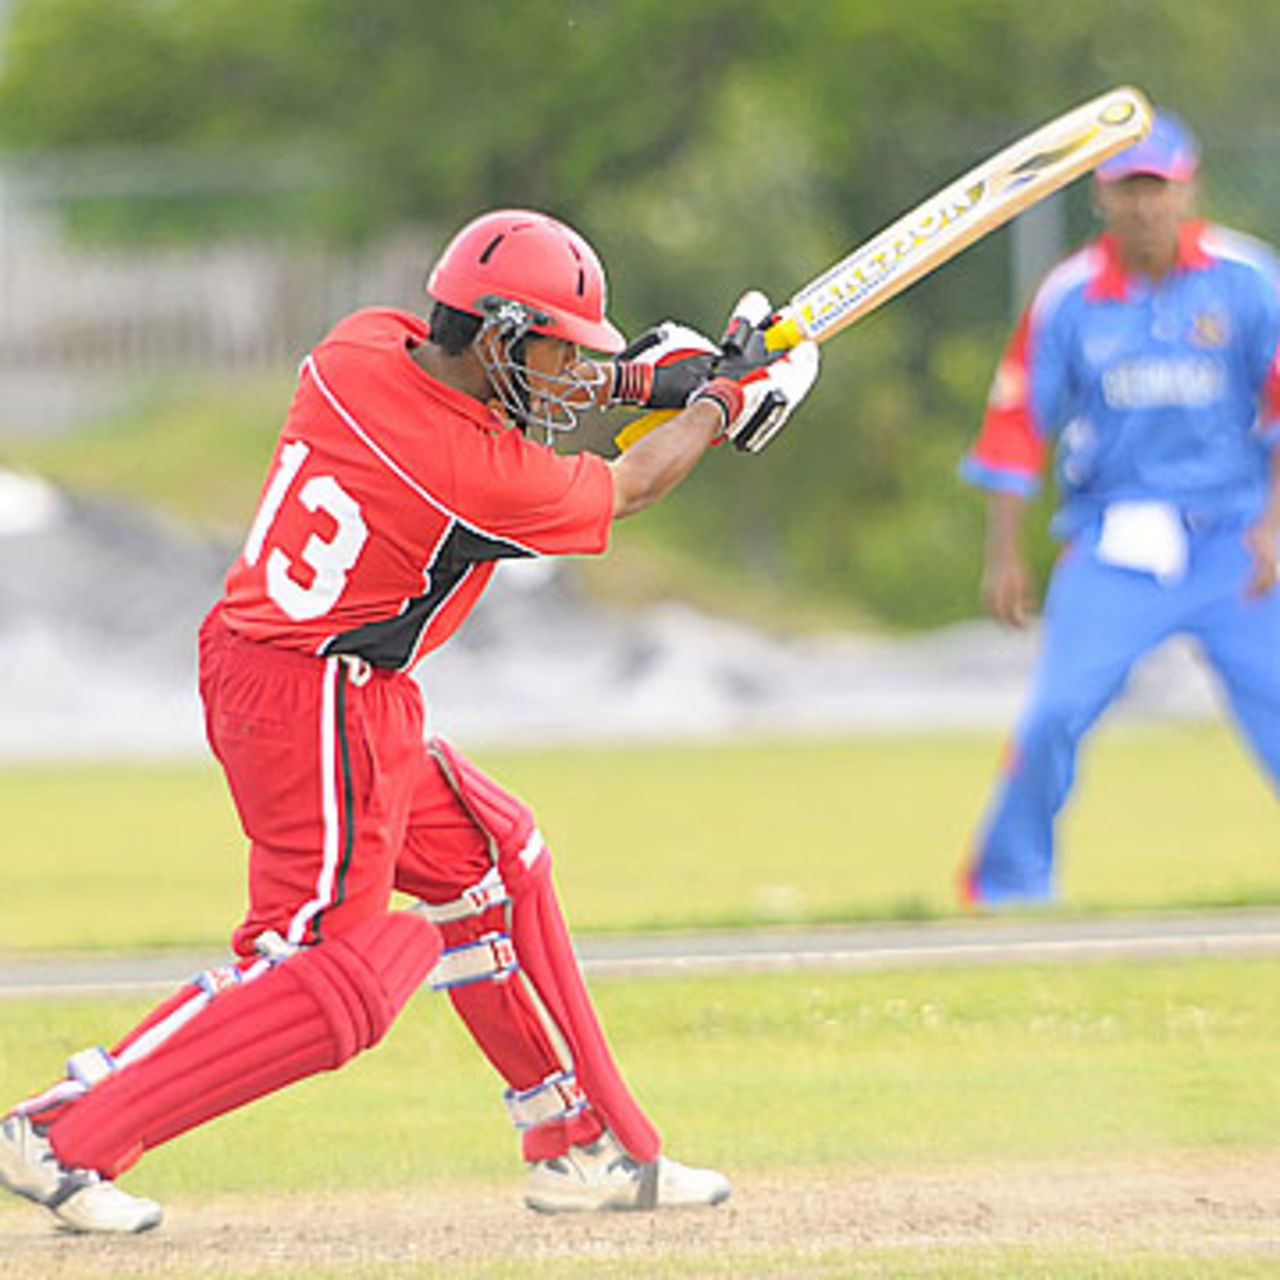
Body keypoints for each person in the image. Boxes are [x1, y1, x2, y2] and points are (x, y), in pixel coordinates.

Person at [0, 208, 821, 1232]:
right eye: (558, 349)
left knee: (491, 858)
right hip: (316, 698)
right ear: (499, 336)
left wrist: (642, 381)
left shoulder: (362, 346)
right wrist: (717, 404)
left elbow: (506, 390)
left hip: (297, 672)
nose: (570, 369)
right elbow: (628, 484)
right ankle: (62, 1131)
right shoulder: (463, 472)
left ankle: (582, 1144)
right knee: (329, 968)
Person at [958, 111, 1280, 906]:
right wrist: (1004, 553)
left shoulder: (1247, 280)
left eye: (1156, 188)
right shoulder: (1069, 296)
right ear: (1101, 196)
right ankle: (1007, 887)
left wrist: (1273, 526)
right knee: (1054, 715)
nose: (1143, 206)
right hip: (1116, 539)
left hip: (1234, 540)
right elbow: (1015, 425)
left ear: (1187, 188)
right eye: (1127, 189)